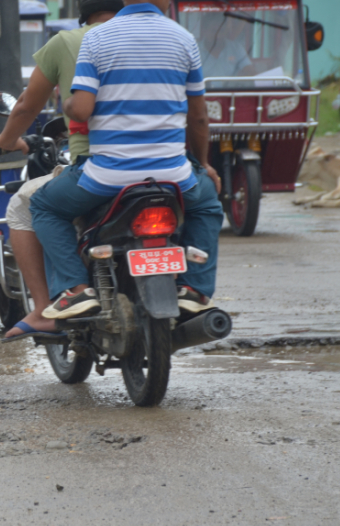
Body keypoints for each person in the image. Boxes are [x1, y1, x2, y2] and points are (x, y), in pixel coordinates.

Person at [30, 0, 223, 320]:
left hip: (106, 177)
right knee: (207, 204)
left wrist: (67, 104)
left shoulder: (97, 38)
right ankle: (195, 289)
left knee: (44, 206)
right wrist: (203, 165)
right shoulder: (184, 38)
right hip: (174, 175)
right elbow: (199, 118)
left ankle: (76, 290)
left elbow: (82, 110)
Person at [0, 0, 123, 341]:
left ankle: (44, 307)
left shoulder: (68, 42)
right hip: (166, 166)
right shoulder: (150, 39)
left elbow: (26, 105)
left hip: (97, 165)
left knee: (26, 205)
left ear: (84, 12)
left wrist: (6, 139)